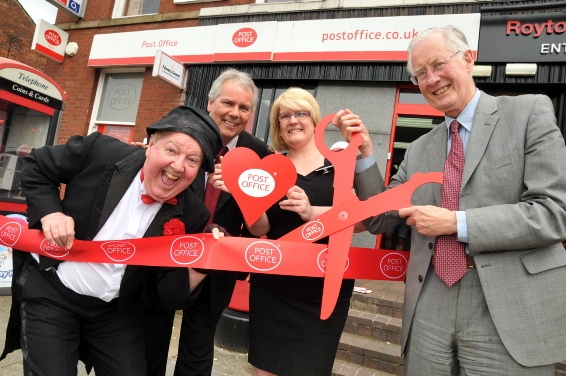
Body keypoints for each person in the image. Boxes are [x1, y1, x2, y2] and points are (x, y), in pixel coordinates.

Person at [339, 25, 566, 375]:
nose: (431, 80)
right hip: (431, 299)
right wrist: (365, 153)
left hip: (507, 303)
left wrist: (456, 222)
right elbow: (380, 218)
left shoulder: (528, 113)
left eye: (438, 64)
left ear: (468, 59)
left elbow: (552, 213)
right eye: (420, 74)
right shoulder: (419, 148)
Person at [0, 105, 224, 375]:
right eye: (171, 150)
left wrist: (200, 265)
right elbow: (36, 165)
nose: (178, 166)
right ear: (150, 145)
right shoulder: (101, 152)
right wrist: (51, 213)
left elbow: (165, 296)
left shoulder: (192, 213)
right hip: (54, 294)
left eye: (192, 160)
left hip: (116, 312)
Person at [221, 87, 362, 376]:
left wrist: (312, 214)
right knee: (265, 371)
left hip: (323, 286)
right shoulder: (269, 168)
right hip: (273, 284)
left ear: (314, 120)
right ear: (277, 125)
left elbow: (361, 220)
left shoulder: (339, 165)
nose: (293, 120)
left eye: (301, 113)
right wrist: (243, 196)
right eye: (285, 115)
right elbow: (262, 227)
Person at [143, 68, 271, 376]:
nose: (234, 113)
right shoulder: (182, 136)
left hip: (217, 268)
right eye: (228, 103)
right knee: (150, 340)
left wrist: (241, 191)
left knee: (198, 348)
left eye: (243, 108)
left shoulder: (258, 153)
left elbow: (260, 225)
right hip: (165, 258)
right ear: (210, 102)